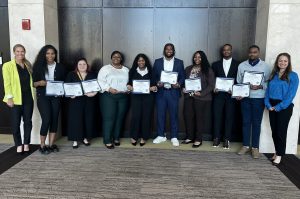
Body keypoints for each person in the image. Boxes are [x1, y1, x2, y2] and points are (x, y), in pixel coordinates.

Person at [236, 45, 271, 158]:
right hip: (245, 99)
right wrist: (239, 93)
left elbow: (269, 83)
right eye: (250, 52)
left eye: (255, 52)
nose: (252, 54)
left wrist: (260, 86)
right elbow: (238, 81)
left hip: (259, 99)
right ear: (248, 53)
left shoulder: (265, 66)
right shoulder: (242, 66)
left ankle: (255, 148)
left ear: (258, 53)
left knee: (256, 123)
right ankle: (246, 146)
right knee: (246, 122)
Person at [265, 53, 299, 165]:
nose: (282, 63)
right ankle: (276, 152)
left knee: (281, 131)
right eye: (280, 60)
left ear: (288, 62)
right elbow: (267, 91)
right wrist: (268, 104)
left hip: (284, 106)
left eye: (285, 61)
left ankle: (279, 155)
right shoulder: (273, 74)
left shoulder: (293, 76)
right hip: (272, 106)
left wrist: (279, 107)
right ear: (277, 62)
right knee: (274, 131)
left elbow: (290, 95)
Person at [32, 45, 66, 154]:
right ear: (44, 54)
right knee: (46, 119)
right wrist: (40, 83)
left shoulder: (61, 67)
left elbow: (64, 83)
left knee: (54, 120)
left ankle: (51, 145)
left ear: (55, 55)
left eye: (52, 53)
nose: (50, 55)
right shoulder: (38, 66)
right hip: (43, 97)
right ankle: (42, 145)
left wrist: (62, 91)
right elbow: (33, 83)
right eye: (48, 53)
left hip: (56, 97)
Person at [2, 44, 34, 154]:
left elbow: (30, 82)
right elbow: (7, 84)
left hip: (28, 99)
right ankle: (18, 144)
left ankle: (26, 143)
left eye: (22, 51)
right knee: (16, 124)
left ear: (24, 52)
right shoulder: (7, 66)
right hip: (15, 99)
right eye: (18, 51)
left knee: (28, 122)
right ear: (14, 52)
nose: (20, 53)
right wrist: (9, 98)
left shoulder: (28, 64)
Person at [152, 43, 185, 147]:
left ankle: (174, 136)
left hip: (173, 92)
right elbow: (153, 77)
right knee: (160, 115)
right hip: (161, 92)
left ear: (174, 51)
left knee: (174, 115)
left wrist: (179, 84)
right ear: (164, 50)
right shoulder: (157, 62)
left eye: (171, 49)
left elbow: (183, 77)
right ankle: (161, 135)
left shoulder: (179, 62)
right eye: (167, 49)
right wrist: (157, 83)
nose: (169, 50)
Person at [182, 50, 215, 148]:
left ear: (203, 58)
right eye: (195, 57)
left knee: (199, 119)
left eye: (199, 57)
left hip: (202, 98)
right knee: (188, 117)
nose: (197, 59)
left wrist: (201, 93)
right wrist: (183, 88)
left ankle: (198, 139)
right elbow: (184, 82)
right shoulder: (188, 68)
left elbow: (211, 85)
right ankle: (190, 137)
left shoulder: (207, 69)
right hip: (189, 97)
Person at [98, 51, 129, 149]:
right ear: (111, 58)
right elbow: (100, 81)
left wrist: (128, 89)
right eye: (114, 56)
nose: (116, 58)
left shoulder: (126, 70)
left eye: (118, 57)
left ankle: (116, 138)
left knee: (119, 118)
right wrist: (109, 89)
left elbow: (130, 82)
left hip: (123, 96)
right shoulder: (105, 68)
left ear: (121, 59)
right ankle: (107, 140)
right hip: (108, 96)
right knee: (109, 118)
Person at [212, 44, 239, 149]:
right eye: (224, 50)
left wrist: (235, 90)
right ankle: (216, 138)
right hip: (218, 95)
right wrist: (214, 88)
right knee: (217, 117)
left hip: (231, 95)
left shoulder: (238, 64)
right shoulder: (215, 64)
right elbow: (212, 79)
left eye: (228, 50)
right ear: (222, 52)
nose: (226, 51)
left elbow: (239, 80)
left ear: (231, 51)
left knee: (229, 117)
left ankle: (227, 139)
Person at [66, 58, 97, 148]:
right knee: (76, 120)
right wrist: (70, 94)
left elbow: (96, 86)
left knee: (87, 119)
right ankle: (75, 140)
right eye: (80, 64)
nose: (82, 66)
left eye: (84, 64)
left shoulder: (92, 74)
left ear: (87, 65)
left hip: (89, 100)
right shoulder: (71, 74)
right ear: (77, 65)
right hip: (75, 101)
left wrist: (94, 93)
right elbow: (67, 87)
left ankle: (85, 138)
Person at [127, 54, 157, 146]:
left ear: (146, 61)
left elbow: (155, 86)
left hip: (148, 98)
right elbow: (129, 83)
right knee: (135, 116)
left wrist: (154, 88)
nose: (141, 62)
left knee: (146, 117)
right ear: (137, 62)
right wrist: (129, 86)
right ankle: (134, 136)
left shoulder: (151, 71)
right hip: (136, 97)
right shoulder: (132, 71)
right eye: (139, 60)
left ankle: (144, 137)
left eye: (143, 60)